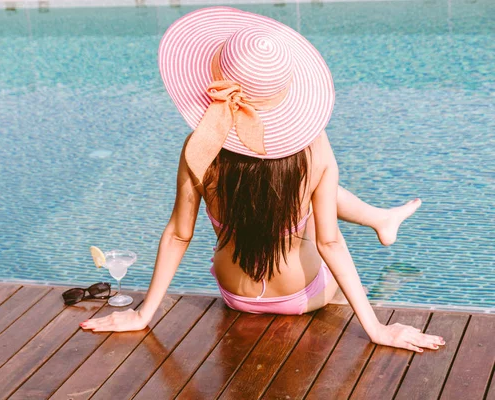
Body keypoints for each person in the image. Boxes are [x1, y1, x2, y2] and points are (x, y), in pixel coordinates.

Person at [80, 6, 445, 352]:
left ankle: (380, 217)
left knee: (304, 198)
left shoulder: (200, 146)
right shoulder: (315, 146)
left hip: (236, 298)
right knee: (318, 210)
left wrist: (144, 314)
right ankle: (379, 219)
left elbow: (179, 234)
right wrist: (377, 329)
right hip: (303, 297)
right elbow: (330, 245)